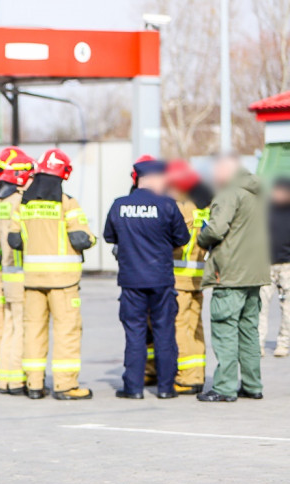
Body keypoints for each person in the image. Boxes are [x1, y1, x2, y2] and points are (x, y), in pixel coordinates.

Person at [8, 148, 96, 400]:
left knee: (33, 331)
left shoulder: (23, 204)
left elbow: (14, 240)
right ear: (63, 173)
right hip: (64, 281)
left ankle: (34, 385)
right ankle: (65, 385)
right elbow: (81, 238)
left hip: (32, 280)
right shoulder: (67, 203)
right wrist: (92, 238)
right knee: (67, 331)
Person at [103, 156, 189, 399]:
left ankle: (133, 388)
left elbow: (109, 236)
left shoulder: (119, 205)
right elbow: (182, 238)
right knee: (164, 333)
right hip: (161, 280)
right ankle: (165, 388)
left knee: (135, 334)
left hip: (131, 281)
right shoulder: (168, 205)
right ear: (152, 178)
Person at [197, 155, 270, 402]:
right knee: (249, 331)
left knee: (225, 329)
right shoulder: (258, 192)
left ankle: (225, 388)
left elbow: (216, 229)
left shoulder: (230, 193)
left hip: (230, 274)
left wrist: (201, 237)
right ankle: (252, 385)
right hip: (255, 273)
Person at [143, 159, 212, 393]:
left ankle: (185, 378)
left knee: (179, 327)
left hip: (177, 277)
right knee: (195, 326)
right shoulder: (204, 205)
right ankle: (197, 373)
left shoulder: (178, 205)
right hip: (197, 275)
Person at [0, 146, 35, 394]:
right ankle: (9, 376)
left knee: (4, 325)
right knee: (14, 325)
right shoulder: (16, 202)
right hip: (14, 273)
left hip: (2, 272)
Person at [258, 177, 290, 357]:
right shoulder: (265, 209)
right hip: (266, 264)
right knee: (261, 305)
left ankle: (283, 343)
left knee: (287, 308)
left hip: (287, 265)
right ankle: (258, 343)